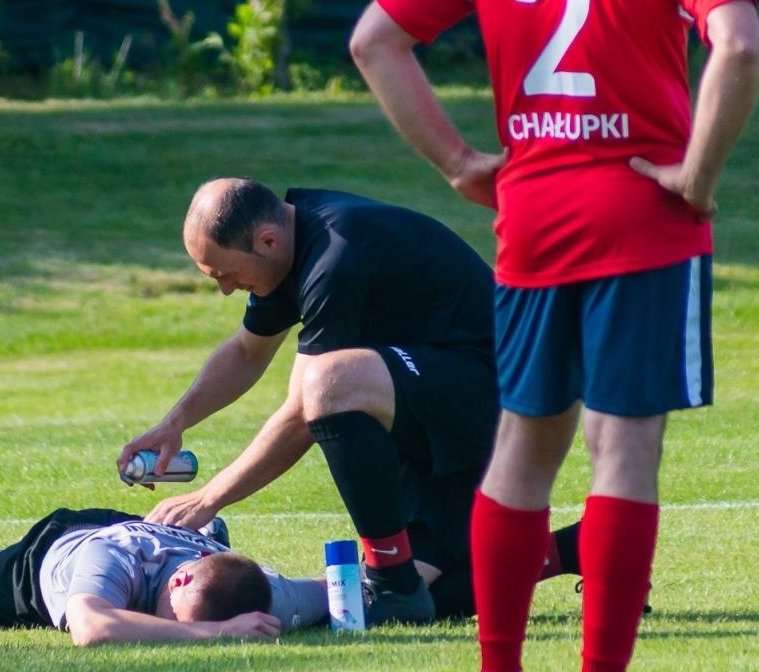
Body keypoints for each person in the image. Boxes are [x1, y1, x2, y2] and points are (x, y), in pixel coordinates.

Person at [348, 0, 759, 672]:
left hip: (530, 219)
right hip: (642, 215)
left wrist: (458, 164)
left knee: (520, 453)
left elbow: (375, 38)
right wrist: (697, 174)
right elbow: (738, 44)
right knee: (621, 452)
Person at [119, 179, 585, 628]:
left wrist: (208, 498)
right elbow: (246, 352)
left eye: (226, 274)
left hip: (496, 399)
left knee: (331, 380)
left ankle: (389, 579)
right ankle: (578, 548)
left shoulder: (337, 256)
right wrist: (174, 423)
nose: (225, 288)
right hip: (435, 407)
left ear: (266, 240)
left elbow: (305, 411)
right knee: (429, 599)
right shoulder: (287, 245)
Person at [0, 508, 327, 645]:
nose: (164, 625)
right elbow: (91, 628)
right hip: (53, 554)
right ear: (179, 582)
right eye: (172, 614)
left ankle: (204, 535)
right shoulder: (110, 558)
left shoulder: (272, 594)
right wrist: (216, 632)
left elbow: (341, 588)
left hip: (161, 538)